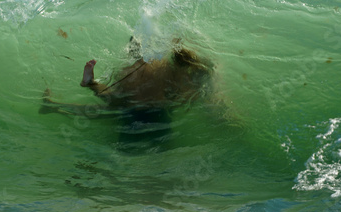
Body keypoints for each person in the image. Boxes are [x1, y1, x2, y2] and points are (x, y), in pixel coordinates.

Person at [39, 37, 214, 152]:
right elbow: (180, 91)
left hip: (131, 118)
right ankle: (64, 100)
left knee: (110, 109)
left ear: (130, 52)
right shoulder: (163, 66)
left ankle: (88, 86)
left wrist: (96, 87)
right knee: (160, 165)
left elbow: (115, 98)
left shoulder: (125, 72)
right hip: (159, 118)